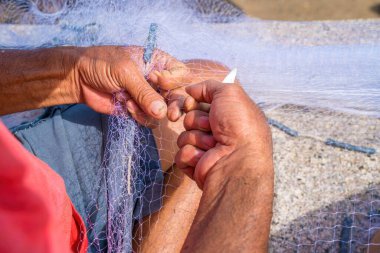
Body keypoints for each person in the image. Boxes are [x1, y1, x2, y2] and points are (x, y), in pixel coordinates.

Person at [0, 46, 274, 252]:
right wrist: (244, 163)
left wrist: (73, 72)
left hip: (23, 179)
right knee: (213, 107)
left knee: (208, 79)